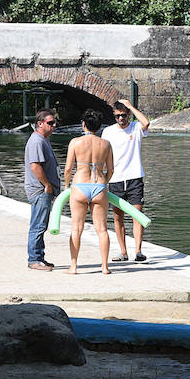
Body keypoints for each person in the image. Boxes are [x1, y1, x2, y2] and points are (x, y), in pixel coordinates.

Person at [60, 108, 115, 274]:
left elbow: (68, 169)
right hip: (99, 186)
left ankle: (74, 266)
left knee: (76, 229)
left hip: (80, 186)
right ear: (99, 127)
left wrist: (67, 186)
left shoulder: (75, 142)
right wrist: (104, 184)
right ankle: (105, 267)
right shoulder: (105, 144)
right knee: (102, 229)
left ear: (83, 124)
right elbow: (111, 170)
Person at [103, 98, 150, 262]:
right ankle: (123, 252)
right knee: (118, 217)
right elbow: (103, 154)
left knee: (137, 215)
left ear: (128, 114)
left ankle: (138, 251)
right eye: (117, 116)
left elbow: (146, 122)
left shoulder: (135, 128)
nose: (121, 119)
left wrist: (131, 106)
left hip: (134, 178)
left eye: (123, 115)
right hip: (115, 179)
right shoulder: (108, 132)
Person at [24, 108, 61, 272]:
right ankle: (34, 259)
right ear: (40, 124)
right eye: (50, 123)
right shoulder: (37, 141)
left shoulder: (43, 140)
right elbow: (35, 166)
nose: (54, 126)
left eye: (55, 123)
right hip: (40, 191)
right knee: (38, 225)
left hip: (44, 191)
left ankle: (40, 256)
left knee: (42, 225)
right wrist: (47, 185)